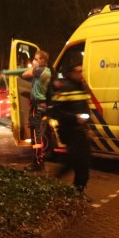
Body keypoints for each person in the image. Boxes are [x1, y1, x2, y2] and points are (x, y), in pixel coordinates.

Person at [3, 49, 51, 170]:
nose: (34, 61)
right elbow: (24, 75)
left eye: (36, 58)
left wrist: (8, 72)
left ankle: (38, 162)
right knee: (36, 134)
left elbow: (24, 73)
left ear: (43, 60)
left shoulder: (41, 70)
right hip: (37, 105)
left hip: (38, 106)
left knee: (36, 135)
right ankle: (38, 161)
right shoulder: (41, 72)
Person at [49, 64, 92, 193]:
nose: (81, 74)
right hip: (69, 131)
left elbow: (85, 108)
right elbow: (55, 112)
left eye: (82, 71)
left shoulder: (81, 87)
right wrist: (74, 118)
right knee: (73, 161)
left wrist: (88, 127)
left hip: (81, 131)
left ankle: (78, 190)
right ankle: (54, 181)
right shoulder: (65, 88)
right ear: (71, 73)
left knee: (84, 163)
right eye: (78, 71)